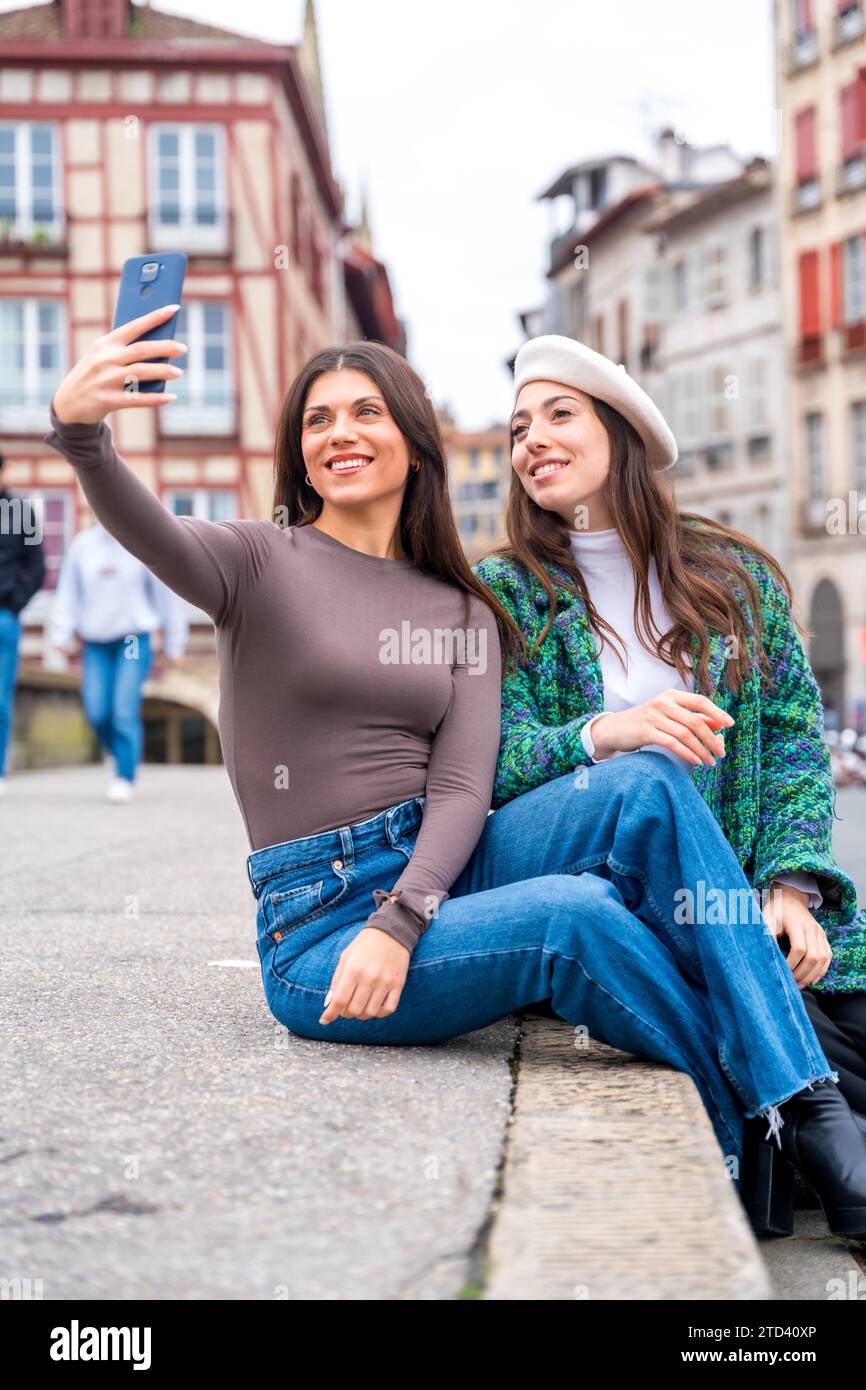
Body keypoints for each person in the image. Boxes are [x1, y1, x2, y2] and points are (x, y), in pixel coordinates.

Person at [42, 305, 866, 1240]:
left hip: (443, 867)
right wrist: (81, 435)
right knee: (575, 915)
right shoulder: (254, 560)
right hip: (323, 919)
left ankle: (804, 1115)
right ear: (299, 453)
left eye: (365, 413)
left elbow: (463, 789)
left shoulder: (464, 607)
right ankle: (776, 1127)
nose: (340, 434)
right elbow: (149, 532)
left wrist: (411, 909)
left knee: (648, 780)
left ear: (412, 442)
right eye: (317, 420)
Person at [472, 332, 866, 1233]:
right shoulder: (504, 594)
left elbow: (796, 750)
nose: (533, 440)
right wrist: (603, 733)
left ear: (622, 433)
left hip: (751, 911)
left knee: (847, 995)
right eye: (519, 428)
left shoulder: (732, 579)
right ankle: (808, 1124)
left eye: (559, 415)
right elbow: (486, 765)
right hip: (623, 908)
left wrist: (793, 887)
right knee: (814, 1038)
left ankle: (798, 1143)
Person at [49, 519, 188, 801]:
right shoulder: (82, 546)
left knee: (124, 708)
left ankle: (125, 775)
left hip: (133, 639)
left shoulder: (140, 542)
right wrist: (60, 635)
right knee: (97, 710)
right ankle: (114, 749)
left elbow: (166, 595)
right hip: (96, 642)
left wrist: (175, 642)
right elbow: (68, 594)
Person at [0, 449, 46, 794]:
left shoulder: (21, 512)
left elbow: (37, 567)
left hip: (4, 616)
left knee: (1, 697)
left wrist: (14, 604)